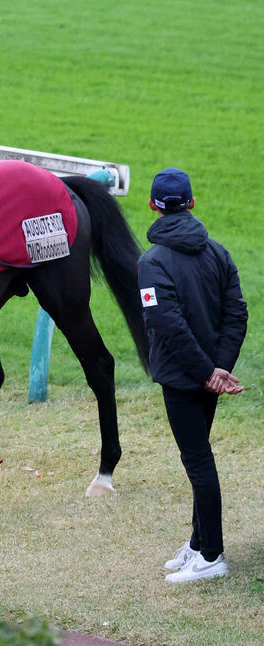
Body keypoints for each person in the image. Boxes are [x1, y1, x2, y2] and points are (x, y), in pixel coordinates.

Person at [137, 167, 248, 584]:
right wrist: (219, 370)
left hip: (183, 380)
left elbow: (167, 324)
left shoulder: (151, 263)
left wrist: (206, 373)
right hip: (207, 378)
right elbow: (236, 314)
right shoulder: (219, 253)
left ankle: (213, 555)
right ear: (192, 202)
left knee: (198, 462)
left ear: (153, 206)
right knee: (199, 456)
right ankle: (198, 543)